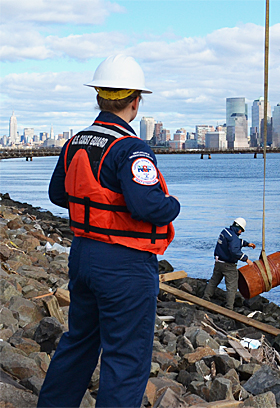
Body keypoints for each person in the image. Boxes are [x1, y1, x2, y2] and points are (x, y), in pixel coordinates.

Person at [39, 55, 180, 406]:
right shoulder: (131, 148)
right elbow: (147, 206)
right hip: (125, 264)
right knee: (126, 359)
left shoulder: (76, 142)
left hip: (84, 256)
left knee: (79, 343)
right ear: (135, 101)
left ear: (99, 97)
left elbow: (58, 194)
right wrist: (173, 205)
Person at [203, 217, 256, 309]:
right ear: (239, 228)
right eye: (241, 231)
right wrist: (246, 259)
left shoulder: (225, 232)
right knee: (232, 286)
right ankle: (229, 307)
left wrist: (247, 244)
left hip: (218, 262)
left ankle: (205, 298)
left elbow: (235, 242)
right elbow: (235, 251)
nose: (241, 232)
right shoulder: (233, 238)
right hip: (229, 265)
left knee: (213, 281)